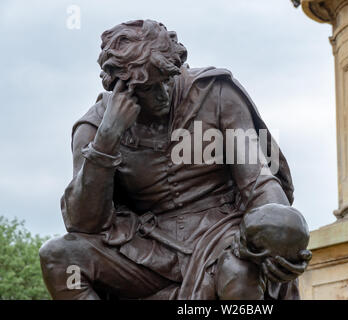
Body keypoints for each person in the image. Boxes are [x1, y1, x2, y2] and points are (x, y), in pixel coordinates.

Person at [39, 19, 311, 300]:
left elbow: (258, 182)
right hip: (146, 249)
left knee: (240, 271)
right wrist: (107, 140)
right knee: (59, 256)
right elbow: (84, 224)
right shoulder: (94, 127)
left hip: (222, 233)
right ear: (119, 86)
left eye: (167, 80)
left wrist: (279, 230)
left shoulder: (215, 93)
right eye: (148, 89)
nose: (163, 94)